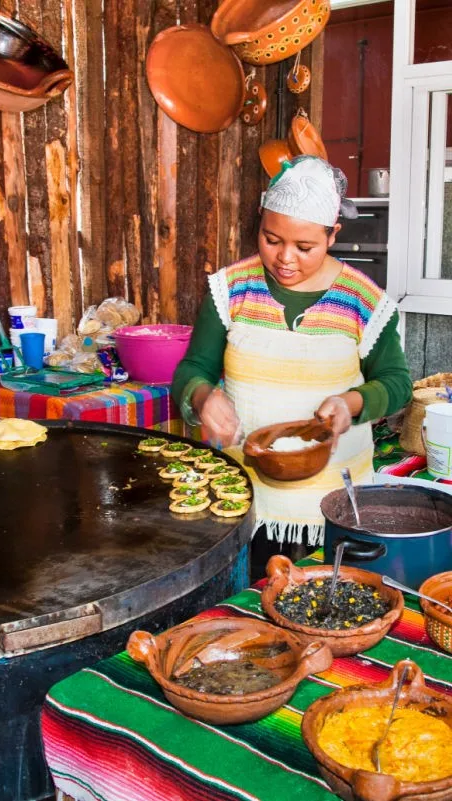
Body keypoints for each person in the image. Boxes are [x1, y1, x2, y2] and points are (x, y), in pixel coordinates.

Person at [172, 156, 412, 576]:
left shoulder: (363, 300)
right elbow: (194, 366)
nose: (285, 258)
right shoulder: (230, 290)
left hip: (334, 505)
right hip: (245, 498)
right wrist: (202, 394)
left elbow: (396, 383)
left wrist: (351, 403)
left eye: (305, 247)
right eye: (271, 239)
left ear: (333, 234)